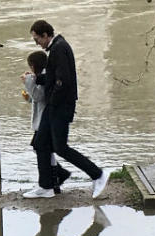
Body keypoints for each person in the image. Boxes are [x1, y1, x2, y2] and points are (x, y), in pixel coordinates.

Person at [24, 20, 110, 200]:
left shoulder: (59, 49)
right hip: (54, 106)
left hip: (59, 107)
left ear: (46, 35)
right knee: (40, 144)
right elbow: (54, 76)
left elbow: (63, 81)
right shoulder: (57, 48)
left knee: (60, 148)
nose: (36, 43)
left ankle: (98, 175)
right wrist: (36, 79)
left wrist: (53, 102)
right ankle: (46, 186)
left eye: (37, 39)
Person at [23, 50, 71, 194]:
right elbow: (35, 97)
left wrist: (28, 82)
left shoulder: (45, 76)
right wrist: (29, 96)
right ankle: (57, 177)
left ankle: (53, 179)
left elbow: (39, 96)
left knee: (41, 146)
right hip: (43, 118)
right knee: (43, 148)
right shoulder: (42, 75)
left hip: (46, 119)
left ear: (34, 65)